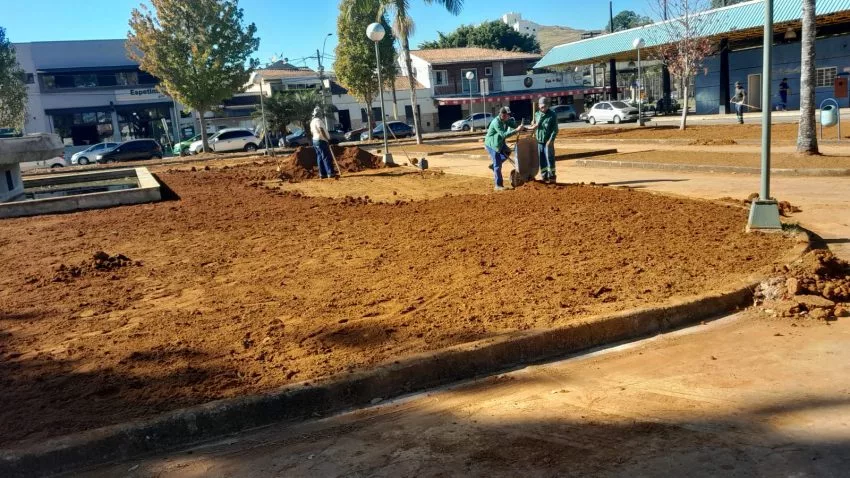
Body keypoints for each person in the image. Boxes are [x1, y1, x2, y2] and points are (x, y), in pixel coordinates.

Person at [484, 106, 525, 191]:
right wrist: (516, 130)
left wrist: (523, 128)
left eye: (509, 115)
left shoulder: (506, 120)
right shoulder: (496, 122)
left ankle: (493, 165)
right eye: (507, 115)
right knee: (498, 166)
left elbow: (514, 125)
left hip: (500, 142)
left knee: (507, 151)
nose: (509, 116)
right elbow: (504, 135)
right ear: (502, 115)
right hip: (492, 144)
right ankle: (498, 185)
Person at [529, 97, 559, 184]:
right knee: (542, 159)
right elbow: (534, 125)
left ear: (547, 106)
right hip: (539, 141)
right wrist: (533, 123)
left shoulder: (552, 114)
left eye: (544, 106)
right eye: (541, 107)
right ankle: (544, 176)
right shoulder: (537, 114)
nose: (543, 108)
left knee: (549, 159)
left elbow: (555, 129)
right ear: (538, 106)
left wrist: (551, 140)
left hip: (547, 141)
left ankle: (552, 176)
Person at [310, 106, 336, 179]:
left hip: (315, 140)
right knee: (326, 157)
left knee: (320, 157)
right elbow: (321, 129)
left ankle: (322, 174)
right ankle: (330, 173)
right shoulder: (318, 120)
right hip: (321, 140)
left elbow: (312, 132)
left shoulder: (312, 122)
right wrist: (326, 139)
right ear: (318, 113)